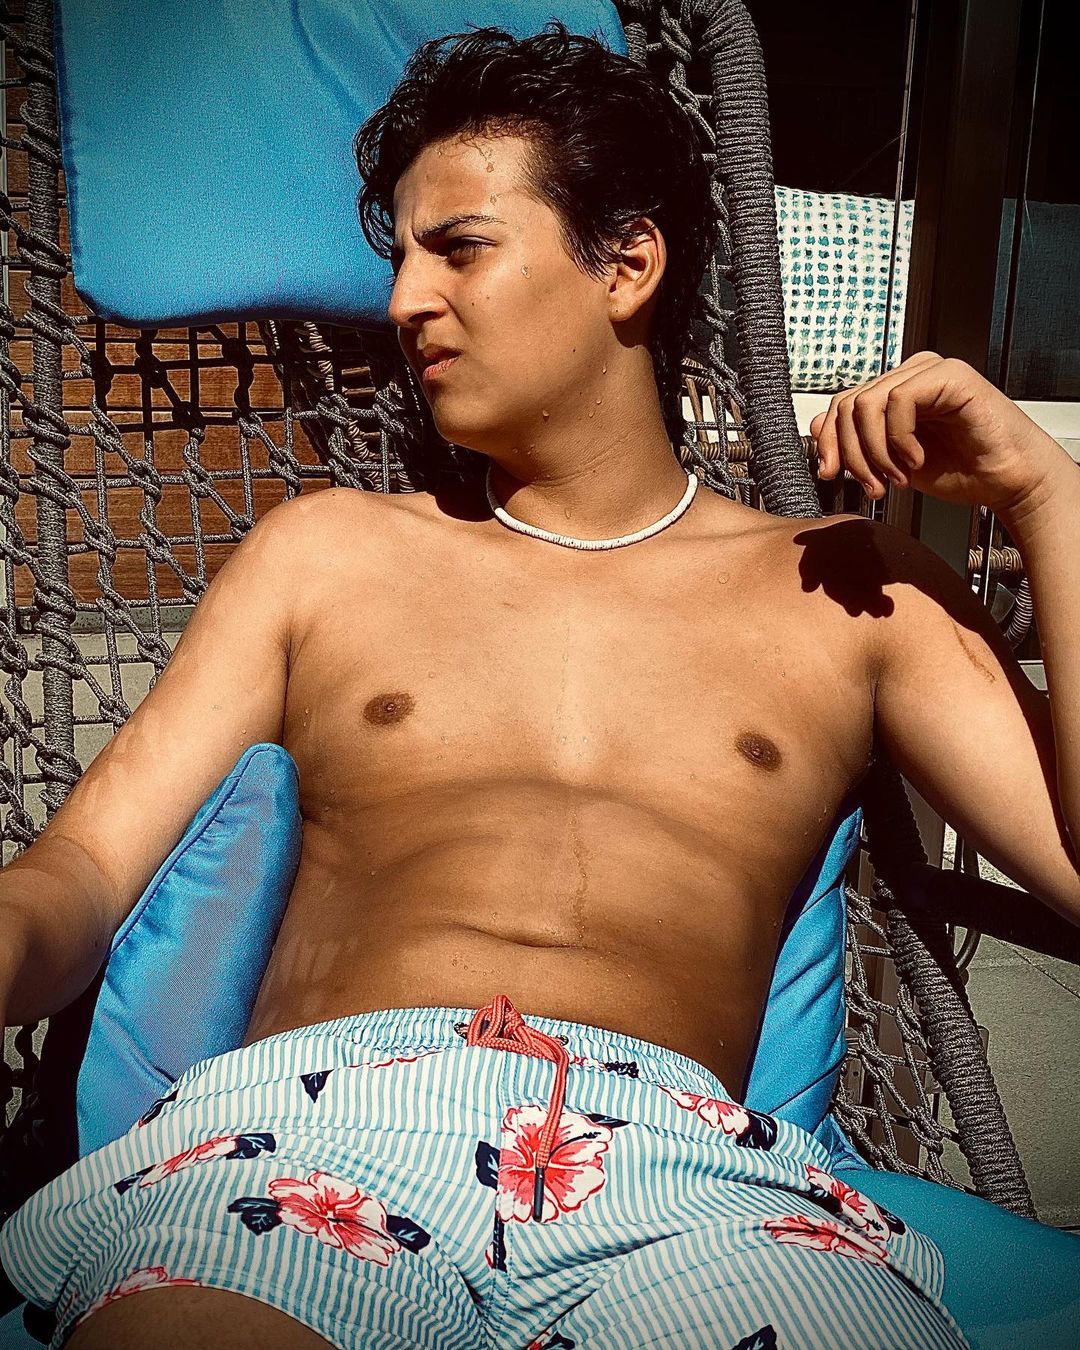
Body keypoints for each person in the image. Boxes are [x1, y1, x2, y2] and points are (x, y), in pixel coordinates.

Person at [1, 21, 1078, 1350]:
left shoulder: (851, 592)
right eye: (401, 258)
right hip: (318, 1132)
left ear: (626, 265)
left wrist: (1047, 495)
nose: (405, 301)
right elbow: (84, 871)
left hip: (695, 1183)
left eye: (457, 249)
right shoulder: (325, 554)